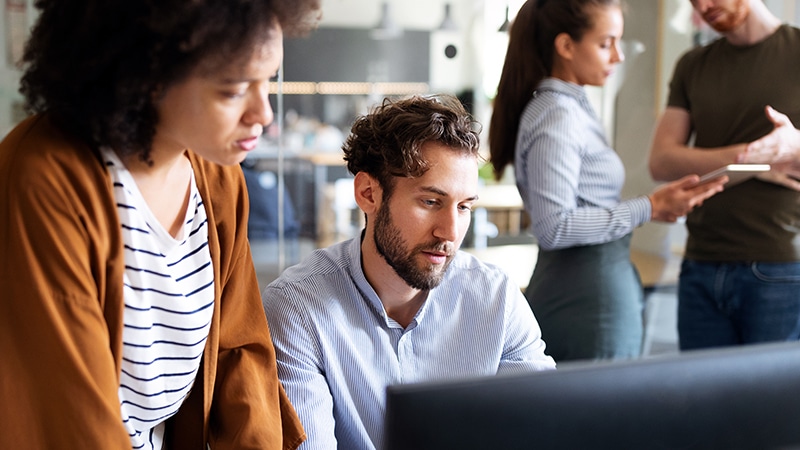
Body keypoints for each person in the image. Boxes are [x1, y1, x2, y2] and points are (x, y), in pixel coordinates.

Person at [0, 0, 320, 448]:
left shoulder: (218, 177)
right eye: (232, 90)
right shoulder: (44, 180)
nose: (263, 115)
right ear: (145, 75)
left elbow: (238, 351)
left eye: (267, 81)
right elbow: (69, 416)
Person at [262, 95, 556, 450]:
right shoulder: (298, 308)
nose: (449, 232)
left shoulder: (497, 299)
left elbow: (541, 430)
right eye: (431, 202)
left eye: (464, 207)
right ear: (368, 193)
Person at [488, 0, 726, 362]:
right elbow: (554, 227)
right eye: (605, 43)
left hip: (590, 288)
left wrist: (653, 208)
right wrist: (650, 206)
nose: (617, 55)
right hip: (585, 298)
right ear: (566, 46)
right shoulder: (558, 115)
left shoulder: (569, 107)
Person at [648, 0, 800, 350]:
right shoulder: (693, 64)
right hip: (700, 261)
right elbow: (661, 161)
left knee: (770, 402)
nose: (703, 5)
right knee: (699, 401)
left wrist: (791, 145)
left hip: (780, 267)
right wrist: (759, 160)